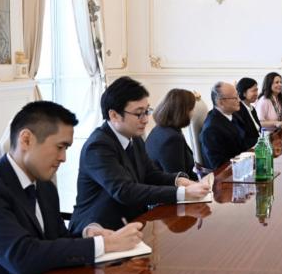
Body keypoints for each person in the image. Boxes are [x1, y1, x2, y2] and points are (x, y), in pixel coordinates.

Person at [0, 101, 143, 274]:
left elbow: (57, 240)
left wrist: (89, 234)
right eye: (59, 147)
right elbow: (20, 256)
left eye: (66, 148)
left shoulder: (45, 187)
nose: (63, 158)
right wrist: (105, 244)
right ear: (26, 140)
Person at [69, 77, 210, 234]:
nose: (146, 119)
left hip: (134, 222)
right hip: (100, 230)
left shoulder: (134, 138)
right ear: (114, 115)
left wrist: (178, 181)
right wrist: (183, 193)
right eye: (138, 114)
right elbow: (125, 191)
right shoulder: (98, 146)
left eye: (147, 111)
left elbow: (150, 174)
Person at [145, 89, 198, 180]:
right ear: (183, 111)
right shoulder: (172, 139)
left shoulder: (160, 129)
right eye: (192, 109)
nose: (193, 112)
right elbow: (179, 179)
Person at [200, 81, 251, 170]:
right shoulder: (211, 129)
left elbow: (244, 141)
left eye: (238, 96)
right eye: (235, 98)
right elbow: (219, 166)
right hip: (230, 174)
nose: (239, 100)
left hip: (244, 165)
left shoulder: (233, 115)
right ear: (221, 102)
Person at [236, 77, 261, 146]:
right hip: (247, 149)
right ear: (244, 93)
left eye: (257, 90)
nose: (256, 93)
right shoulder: (238, 110)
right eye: (254, 91)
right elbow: (243, 137)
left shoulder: (252, 109)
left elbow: (258, 130)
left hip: (256, 146)